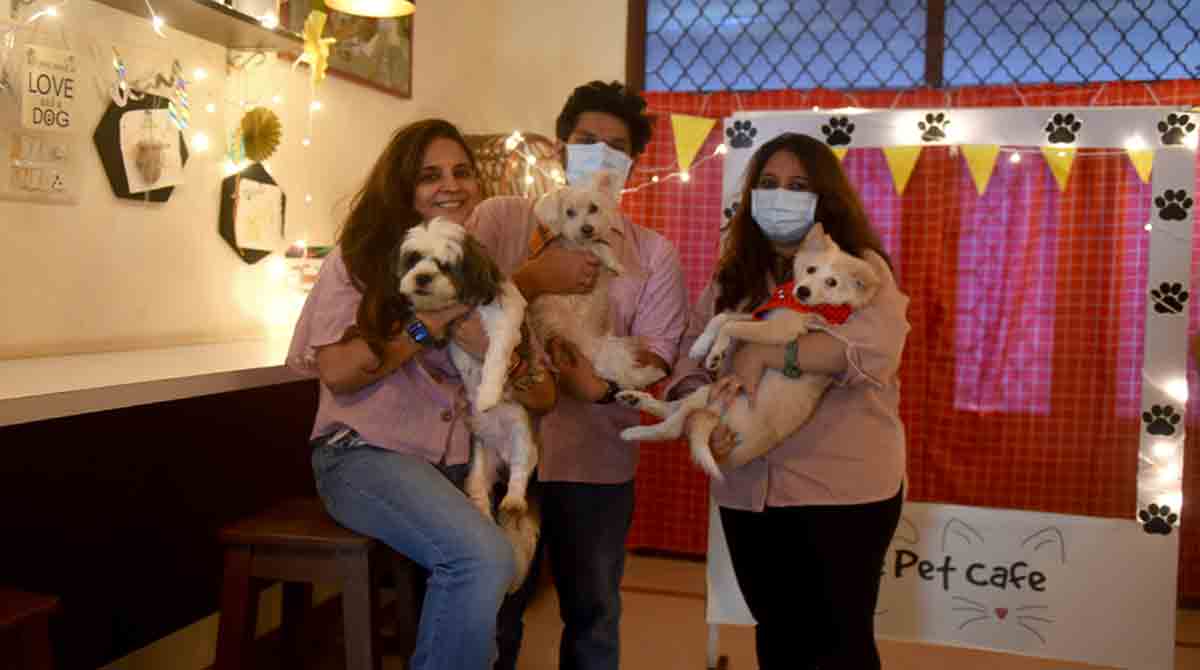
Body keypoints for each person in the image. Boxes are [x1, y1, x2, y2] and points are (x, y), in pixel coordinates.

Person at [286, 118, 556, 670]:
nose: (450, 185)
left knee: (512, 565)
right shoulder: (360, 260)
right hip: (363, 454)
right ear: (403, 188)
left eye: (461, 172)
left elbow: (545, 395)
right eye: (430, 175)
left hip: (454, 464)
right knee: (481, 560)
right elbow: (337, 371)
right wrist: (433, 324)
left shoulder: (481, 268)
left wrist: (506, 356)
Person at [664, 132, 909, 670]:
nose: (781, 195)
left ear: (825, 197)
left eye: (798, 185)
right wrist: (699, 421)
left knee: (838, 648)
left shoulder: (859, 267)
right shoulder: (733, 278)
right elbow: (687, 360)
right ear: (751, 195)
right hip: (749, 492)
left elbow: (874, 351)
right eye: (769, 184)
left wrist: (771, 355)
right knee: (776, 640)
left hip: (841, 490)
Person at [467, 80, 689, 670]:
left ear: (633, 164)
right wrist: (534, 277)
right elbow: (460, 309)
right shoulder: (500, 218)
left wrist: (599, 384)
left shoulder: (654, 254)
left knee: (592, 615)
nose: (600, 154)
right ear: (563, 145)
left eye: (616, 147)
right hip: (497, 451)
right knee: (492, 611)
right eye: (587, 140)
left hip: (593, 460)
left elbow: (660, 351)